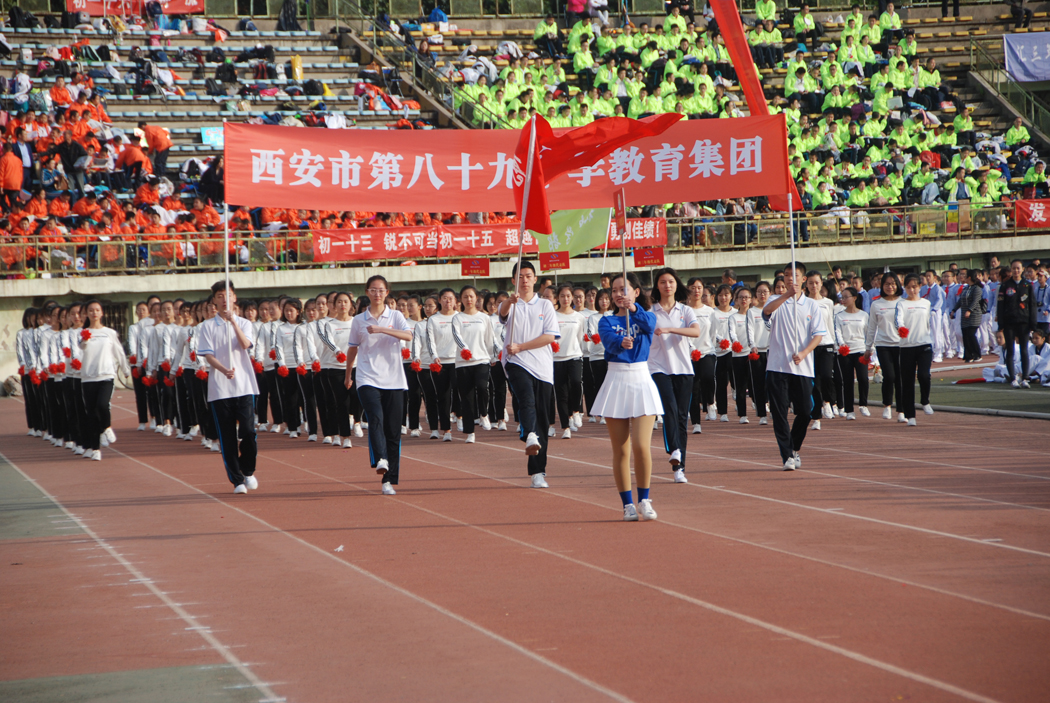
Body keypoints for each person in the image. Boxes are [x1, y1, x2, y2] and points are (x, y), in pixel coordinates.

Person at [591, 272, 662, 521]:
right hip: (616, 380)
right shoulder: (606, 321)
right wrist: (622, 342)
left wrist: (634, 309)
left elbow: (651, 326)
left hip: (641, 379)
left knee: (642, 446)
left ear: (636, 292)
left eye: (624, 289)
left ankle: (644, 499)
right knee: (621, 450)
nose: (619, 294)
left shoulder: (647, 315)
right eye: (615, 290)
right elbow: (609, 342)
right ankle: (627, 504)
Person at [345, 276, 414, 496]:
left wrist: (384, 329)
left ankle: (388, 480)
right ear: (367, 292)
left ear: (387, 292)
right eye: (373, 290)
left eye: (381, 290)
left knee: (393, 431)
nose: (377, 294)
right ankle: (381, 458)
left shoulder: (395, 316)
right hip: (367, 378)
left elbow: (408, 336)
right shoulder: (359, 320)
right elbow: (353, 349)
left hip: (393, 379)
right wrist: (348, 375)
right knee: (375, 418)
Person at [498, 260, 560, 488]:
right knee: (526, 399)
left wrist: (522, 346)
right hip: (515, 362)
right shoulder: (510, 303)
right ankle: (529, 434)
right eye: (520, 276)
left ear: (535, 279)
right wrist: (508, 301)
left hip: (542, 368)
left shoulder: (545, 305)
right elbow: (502, 314)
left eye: (528, 276)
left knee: (543, 419)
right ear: (514, 280)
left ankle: (538, 472)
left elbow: (550, 337)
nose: (524, 280)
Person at [762, 262, 828, 471]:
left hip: (802, 366)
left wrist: (804, 352)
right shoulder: (775, 300)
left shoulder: (811, 306)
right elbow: (766, 312)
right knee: (779, 412)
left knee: (806, 410)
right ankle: (787, 455)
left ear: (803, 279)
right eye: (787, 275)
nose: (791, 279)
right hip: (777, 366)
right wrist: (785, 296)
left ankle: (794, 446)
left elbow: (818, 335)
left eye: (795, 275)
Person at [198, 281, 260, 494]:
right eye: (220, 296)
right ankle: (237, 480)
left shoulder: (244, 323)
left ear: (234, 298)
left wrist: (233, 322)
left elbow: (245, 345)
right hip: (220, 388)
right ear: (214, 300)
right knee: (227, 436)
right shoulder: (206, 326)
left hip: (244, 385)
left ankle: (248, 469)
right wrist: (223, 370)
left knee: (248, 431)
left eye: (229, 295)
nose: (225, 299)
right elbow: (208, 355)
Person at [649, 268, 699, 483]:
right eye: (662, 282)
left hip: (684, 369)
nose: (667, 285)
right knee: (669, 410)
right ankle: (675, 451)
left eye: (670, 281)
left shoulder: (685, 311)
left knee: (681, 417)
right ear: (657, 286)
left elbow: (695, 331)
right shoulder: (650, 312)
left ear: (676, 285)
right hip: (658, 368)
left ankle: (680, 468)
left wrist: (670, 330)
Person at [78, 300, 131, 461]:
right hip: (88, 377)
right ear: (86, 314)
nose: (94, 313)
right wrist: (84, 341)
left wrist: (126, 368)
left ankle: (106, 427)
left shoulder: (109, 333)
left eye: (97, 310)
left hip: (106, 375)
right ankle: (95, 449)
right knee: (91, 413)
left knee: (102, 405)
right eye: (91, 310)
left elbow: (119, 352)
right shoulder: (82, 333)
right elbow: (79, 349)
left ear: (102, 313)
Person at [451, 285, 494, 443]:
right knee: (467, 398)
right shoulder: (458, 318)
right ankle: (470, 432)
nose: (468, 299)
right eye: (465, 297)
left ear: (477, 298)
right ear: (460, 300)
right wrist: (465, 349)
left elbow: (490, 339)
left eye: (471, 296)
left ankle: (483, 414)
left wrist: (494, 356)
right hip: (463, 363)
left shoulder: (484, 318)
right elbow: (457, 336)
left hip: (481, 360)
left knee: (483, 387)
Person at [866, 271, 905, 421]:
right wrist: (868, 348)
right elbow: (872, 327)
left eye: (893, 284)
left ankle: (901, 411)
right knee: (889, 376)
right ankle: (887, 405)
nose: (890, 287)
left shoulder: (903, 303)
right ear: (882, 286)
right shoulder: (876, 304)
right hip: (883, 345)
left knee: (900, 378)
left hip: (901, 345)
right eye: (887, 284)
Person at [896, 274, 934, 425]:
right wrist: (901, 328)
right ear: (904, 288)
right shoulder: (901, 304)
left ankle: (925, 400)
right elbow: (898, 319)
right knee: (907, 382)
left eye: (915, 287)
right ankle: (910, 415)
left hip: (924, 344)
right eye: (909, 287)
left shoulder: (926, 303)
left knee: (924, 375)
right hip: (907, 347)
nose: (912, 290)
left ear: (920, 287)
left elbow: (928, 322)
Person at [551, 284, 586, 438]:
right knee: (561, 394)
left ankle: (576, 411)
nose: (565, 299)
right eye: (562, 296)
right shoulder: (552, 316)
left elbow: (580, 337)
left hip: (574, 356)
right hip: (557, 359)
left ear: (572, 297)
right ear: (557, 298)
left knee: (576, 382)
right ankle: (565, 427)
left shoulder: (579, 317)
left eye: (568, 296)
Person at [998, 259, 1038, 388]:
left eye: (1018, 268)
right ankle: (1013, 379)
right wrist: (1001, 324)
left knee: (1024, 350)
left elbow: (1032, 305)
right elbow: (1000, 305)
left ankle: (1025, 378)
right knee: (1010, 351)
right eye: (1014, 268)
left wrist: (1033, 324)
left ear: (1022, 270)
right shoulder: (1005, 285)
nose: (1016, 271)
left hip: (1023, 322)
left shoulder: (1027, 285)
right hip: (1009, 322)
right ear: (1011, 270)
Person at [426, 288, 459, 441]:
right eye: (445, 298)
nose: (447, 301)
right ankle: (446, 429)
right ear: (439, 300)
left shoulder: (459, 317)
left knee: (459, 391)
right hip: (440, 363)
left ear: (455, 301)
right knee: (443, 396)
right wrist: (434, 356)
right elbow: (430, 340)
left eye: (450, 298)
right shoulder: (433, 319)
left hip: (458, 361)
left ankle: (461, 417)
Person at [833, 287, 870, 420]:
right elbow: (837, 332)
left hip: (860, 350)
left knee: (863, 378)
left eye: (846, 296)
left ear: (854, 298)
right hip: (846, 352)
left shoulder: (864, 315)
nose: (843, 299)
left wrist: (869, 349)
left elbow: (868, 333)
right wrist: (842, 345)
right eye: (841, 297)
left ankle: (863, 404)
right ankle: (849, 410)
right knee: (847, 381)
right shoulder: (839, 316)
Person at [686, 280, 717, 432]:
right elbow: (684, 333)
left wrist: (710, 344)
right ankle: (696, 423)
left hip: (707, 352)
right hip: (689, 354)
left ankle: (710, 402)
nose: (696, 291)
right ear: (688, 290)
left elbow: (713, 332)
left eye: (699, 288)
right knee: (693, 388)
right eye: (693, 288)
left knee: (708, 377)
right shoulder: (685, 311)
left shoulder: (710, 311)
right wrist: (691, 348)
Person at [711, 284, 736, 422]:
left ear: (731, 296)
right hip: (719, 352)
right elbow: (712, 331)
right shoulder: (713, 313)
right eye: (720, 295)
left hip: (734, 351)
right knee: (721, 383)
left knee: (736, 379)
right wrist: (721, 340)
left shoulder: (736, 312)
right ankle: (723, 412)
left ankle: (737, 395)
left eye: (726, 295)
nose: (723, 298)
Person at [956, 272, 984, 362]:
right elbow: (960, 300)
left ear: (969, 277)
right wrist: (954, 309)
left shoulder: (977, 288)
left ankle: (977, 354)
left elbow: (976, 301)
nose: (962, 277)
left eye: (964, 275)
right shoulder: (966, 288)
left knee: (971, 334)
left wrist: (969, 310)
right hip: (964, 315)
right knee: (965, 335)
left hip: (974, 315)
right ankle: (968, 355)